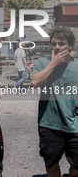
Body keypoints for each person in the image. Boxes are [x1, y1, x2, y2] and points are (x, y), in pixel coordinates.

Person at [31, 26, 78, 177]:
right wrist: (53, 63)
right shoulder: (43, 62)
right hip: (49, 124)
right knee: (51, 163)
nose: (57, 47)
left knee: (76, 166)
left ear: (71, 45)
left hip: (75, 125)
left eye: (62, 43)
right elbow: (35, 82)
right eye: (54, 44)